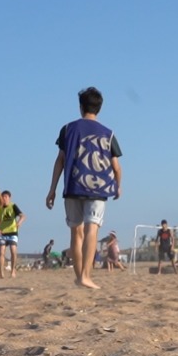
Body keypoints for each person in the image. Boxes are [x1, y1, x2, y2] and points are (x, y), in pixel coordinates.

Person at [46, 87, 124, 290]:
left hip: (72, 185)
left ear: (81, 107)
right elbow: (116, 167)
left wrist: (52, 189)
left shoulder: (67, 129)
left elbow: (60, 160)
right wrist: (118, 185)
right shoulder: (108, 133)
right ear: (99, 108)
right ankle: (86, 277)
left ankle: (79, 276)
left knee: (76, 233)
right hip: (98, 188)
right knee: (92, 230)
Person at [0, 190, 26, 279]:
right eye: (3, 197)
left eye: (6, 197)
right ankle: (1, 272)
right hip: (2, 232)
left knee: (13, 251)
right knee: (1, 252)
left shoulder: (13, 206)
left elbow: (23, 216)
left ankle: (13, 271)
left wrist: (19, 223)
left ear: (9, 198)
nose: (4, 199)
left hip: (12, 232)